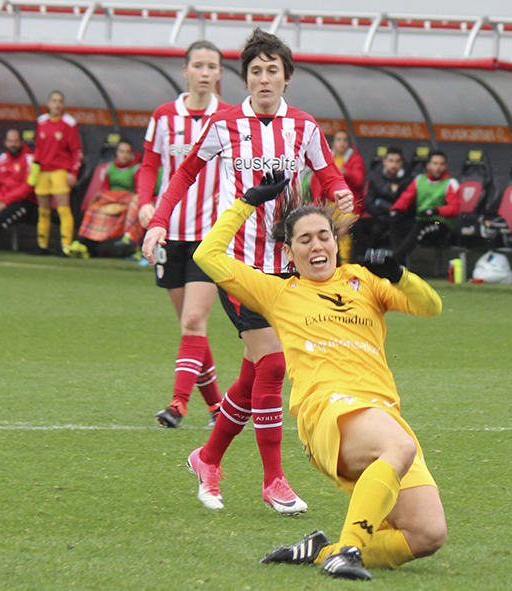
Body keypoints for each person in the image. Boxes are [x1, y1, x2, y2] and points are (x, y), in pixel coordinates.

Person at [142, 29, 353, 515]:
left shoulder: (303, 127)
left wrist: (340, 192)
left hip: (287, 268)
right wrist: (158, 221)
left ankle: (208, 457)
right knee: (275, 365)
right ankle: (274, 480)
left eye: (271, 70)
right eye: (255, 71)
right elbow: (184, 173)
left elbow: (329, 174)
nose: (263, 79)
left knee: (254, 373)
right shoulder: (224, 123)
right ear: (245, 78)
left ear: (287, 78)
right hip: (237, 266)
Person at [195, 172, 446, 581]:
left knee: (426, 534)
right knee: (399, 445)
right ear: (289, 253)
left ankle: (320, 550)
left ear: (336, 241)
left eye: (323, 235)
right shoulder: (278, 292)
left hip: (380, 413)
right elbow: (208, 256)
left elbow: (431, 306)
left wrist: (400, 274)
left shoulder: (363, 282)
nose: (317, 245)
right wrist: (246, 202)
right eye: (304, 239)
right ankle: (347, 551)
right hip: (327, 411)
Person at [135, 40, 231, 428]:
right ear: (185, 70)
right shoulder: (163, 116)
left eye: (212, 66)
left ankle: (178, 404)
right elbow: (148, 164)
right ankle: (218, 407)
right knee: (193, 331)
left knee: (193, 321)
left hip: (211, 238)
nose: (205, 72)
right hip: (168, 235)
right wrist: (145, 202)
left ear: (221, 73)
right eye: (199, 65)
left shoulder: (228, 117)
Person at [66, 139, 145, 259]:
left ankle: (130, 240)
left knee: (131, 207)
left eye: (127, 152)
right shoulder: (110, 167)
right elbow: (105, 188)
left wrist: (121, 201)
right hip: (110, 200)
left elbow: (139, 191)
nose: (124, 155)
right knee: (93, 210)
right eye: (122, 151)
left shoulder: (136, 169)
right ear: (117, 153)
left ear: (132, 153)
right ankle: (83, 245)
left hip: (127, 202)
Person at [31, 90, 83, 255]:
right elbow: (38, 148)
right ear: (48, 104)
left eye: (60, 101)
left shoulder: (69, 123)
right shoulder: (41, 122)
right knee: (44, 211)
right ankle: (42, 245)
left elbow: (77, 151)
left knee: (63, 209)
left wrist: (73, 172)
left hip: (60, 171)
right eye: (54, 101)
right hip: (42, 172)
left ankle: (66, 247)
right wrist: (34, 170)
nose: (57, 104)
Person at [388, 149, 460, 263]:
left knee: (420, 229)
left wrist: (435, 211)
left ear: (445, 166)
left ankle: (394, 261)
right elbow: (406, 197)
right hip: (421, 219)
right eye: (435, 164)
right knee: (396, 223)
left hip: (440, 223)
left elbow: (454, 209)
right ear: (428, 165)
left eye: (441, 164)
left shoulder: (451, 183)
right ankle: (400, 264)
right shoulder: (419, 180)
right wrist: (396, 209)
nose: (438, 167)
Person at [352, 146, 412, 255]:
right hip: (379, 217)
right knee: (357, 227)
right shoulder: (375, 177)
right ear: (384, 162)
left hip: (398, 220)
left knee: (384, 229)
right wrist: (383, 211)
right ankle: (362, 260)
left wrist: (380, 203)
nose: (394, 165)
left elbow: (406, 205)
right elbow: (369, 203)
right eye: (391, 161)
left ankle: (396, 263)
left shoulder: (408, 179)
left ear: (402, 163)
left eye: (397, 162)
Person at [328, 130, 366, 264]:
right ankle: (332, 265)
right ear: (333, 143)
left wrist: (346, 172)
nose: (342, 143)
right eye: (339, 140)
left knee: (343, 233)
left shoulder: (355, 159)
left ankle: (345, 264)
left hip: (349, 205)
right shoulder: (328, 157)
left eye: (345, 140)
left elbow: (359, 181)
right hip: (331, 204)